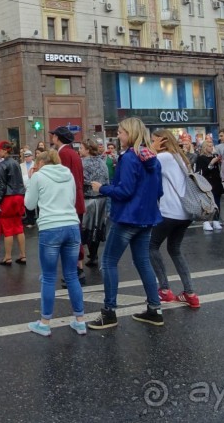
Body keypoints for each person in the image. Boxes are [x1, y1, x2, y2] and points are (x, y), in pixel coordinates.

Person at [88, 117, 164, 329]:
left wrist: (101, 188)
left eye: (121, 132)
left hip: (127, 217)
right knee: (143, 262)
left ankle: (109, 312)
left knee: (109, 262)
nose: (118, 135)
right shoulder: (152, 159)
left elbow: (124, 191)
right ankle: (154, 309)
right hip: (147, 217)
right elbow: (159, 191)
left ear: (130, 134)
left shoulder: (129, 158)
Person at [24, 149, 86, 336]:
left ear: (41, 162)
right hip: (72, 226)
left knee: (49, 277)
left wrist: (30, 180)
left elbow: (29, 204)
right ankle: (80, 321)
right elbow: (73, 200)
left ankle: (44, 323)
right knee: (72, 275)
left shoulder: (38, 176)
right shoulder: (68, 174)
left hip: (50, 227)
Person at [148, 130, 200, 309]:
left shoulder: (165, 157)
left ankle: (164, 289)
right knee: (175, 250)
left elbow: (144, 161)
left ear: (162, 141)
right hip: (186, 212)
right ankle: (190, 293)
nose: (152, 143)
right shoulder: (180, 157)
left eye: (154, 140)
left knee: (151, 246)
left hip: (169, 211)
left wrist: (151, 149)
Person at [50, 127, 86, 283]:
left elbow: (61, 178)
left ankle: (75, 272)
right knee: (76, 235)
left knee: (70, 238)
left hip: (68, 201)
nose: (52, 138)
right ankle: (79, 268)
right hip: (77, 198)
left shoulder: (62, 154)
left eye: (53, 136)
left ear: (57, 138)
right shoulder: (73, 153)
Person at [0, 141, 27, 266]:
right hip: (19, 196)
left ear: (5, 150)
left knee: (7, 228)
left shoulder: (3, 164)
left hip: (8, 197)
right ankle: (22, 255)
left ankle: (8, 257)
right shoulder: (16, 163)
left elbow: (2, 185)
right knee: (18, 226)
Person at [79, 138, 109, 268]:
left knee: (87, 228)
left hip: (88, 198)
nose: (79, 150)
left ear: (88, 149)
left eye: (81, 148)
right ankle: (94, 254)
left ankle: (88, 255)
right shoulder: (102, 162)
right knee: (97, 226)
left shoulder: (83, 163)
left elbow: (81, 181)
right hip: (102, 198)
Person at [194, 141, 224, 231]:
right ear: (205, 147)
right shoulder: (200, 158)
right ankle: (206, 221)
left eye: (212, 146)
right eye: (209, 146)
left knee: (217, 202)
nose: (211, 148)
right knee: (206, 203)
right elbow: (201, 172)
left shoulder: (214, 156)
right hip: (206, 182)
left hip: (216, 182)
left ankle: (216, 220)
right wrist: (211, 163)